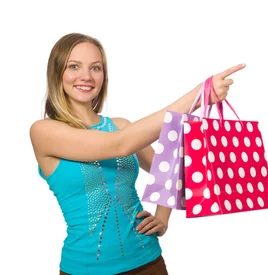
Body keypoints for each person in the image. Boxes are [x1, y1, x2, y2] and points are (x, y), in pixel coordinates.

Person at [29, 32, 245, 275]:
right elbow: (120, 145)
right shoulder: (44, 131)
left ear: (104, 76)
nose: (86, 77)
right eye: (74, 66)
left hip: (148, 262)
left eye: (96, 68)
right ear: (57, 72)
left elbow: (168, 172)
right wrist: (198, 95)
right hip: (84, 269)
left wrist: (162, 218)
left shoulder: (121, 125)